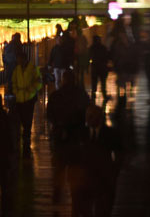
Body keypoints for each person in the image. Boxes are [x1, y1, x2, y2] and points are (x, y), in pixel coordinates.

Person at [46, 69, 90, 204]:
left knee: (59, 167)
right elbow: (87, 113)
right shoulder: (81, 95)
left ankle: (57, 192)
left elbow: (49, 115)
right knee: (75, 167)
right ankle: (75, 193)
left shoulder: (55, 96)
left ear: (63, 80)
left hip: (60, 137)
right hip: (76, 137)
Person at [72, 105, 124, 217]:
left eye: (92, 116)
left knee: (103, 209)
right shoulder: (81, 133)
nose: (89, 119)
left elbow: (120, 154)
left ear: (100, 118)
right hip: (85, 178)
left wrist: (113, 172)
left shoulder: (110, 134)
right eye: (88, 117)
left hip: (104, 178)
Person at [11, 49, 42, 157]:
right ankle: (23, 138)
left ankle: (26, 139)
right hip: (20, 98)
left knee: (28, 120)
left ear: (24, 59)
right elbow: (13, 81)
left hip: (29, 98)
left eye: (19, 58)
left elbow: (38, 81)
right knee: (21, 119)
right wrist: (15, 91)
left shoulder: (32, 68)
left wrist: (31, 90)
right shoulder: (17, 69)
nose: (17, 61)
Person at [88, 35, 110, 104]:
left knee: (94, 83)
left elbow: (89, 56)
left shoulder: (91, 48)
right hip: (102, 67)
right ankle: (104, 95)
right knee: (103, 83)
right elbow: (107, 56)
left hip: (95, 67)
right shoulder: (103, 48)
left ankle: (93, 96)